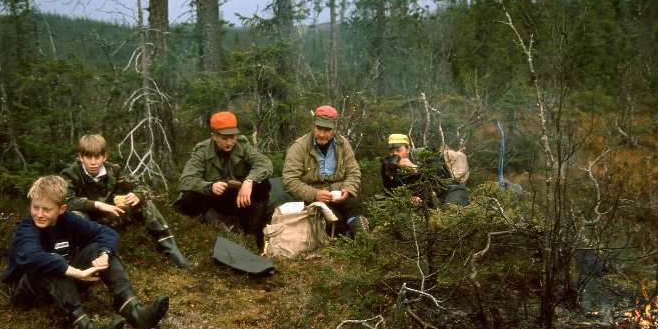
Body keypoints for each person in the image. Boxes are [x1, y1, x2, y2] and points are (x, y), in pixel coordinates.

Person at [1, 176, 170, 329]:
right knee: (53, 260)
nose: (39, 214)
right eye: (35, 207)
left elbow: (107, 233)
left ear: (62, 209)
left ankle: (134, 311)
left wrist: (104, 255)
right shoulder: (26, 229)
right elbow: (34, 257)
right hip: (26, 291)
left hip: (61, 283)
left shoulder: (68, 220)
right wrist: (79, 273)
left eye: (46, 209)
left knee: (99, 248)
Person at [60, 134, 191, 268]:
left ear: (104, 156)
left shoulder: (113, 170)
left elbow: (142, 186)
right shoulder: (70, 174)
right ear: (81, 156)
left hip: (111, 217)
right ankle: (82, 256)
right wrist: (97, 205)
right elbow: (65, 201)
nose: (93, 162)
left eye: (97, 157)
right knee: (75, 215)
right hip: (88, 223)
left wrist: (137, 195)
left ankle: (171, 250)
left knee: (146, 203)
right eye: (88, 157)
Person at [175, 111, 273, 248]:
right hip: (215, 199)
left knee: (263, 185)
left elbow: (265, 164)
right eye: (224, 138)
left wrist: (249, 181)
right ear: (213, 136)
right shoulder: (202, 151)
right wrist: (209, 186)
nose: (229, 142)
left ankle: (252, 233)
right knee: (188, 199)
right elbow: (186, 180)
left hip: (240, 199)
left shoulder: (242, 145)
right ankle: (222, 229)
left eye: (232, 137)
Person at [282, 105, 369, 236]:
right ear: (313, 126)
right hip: (312, 199)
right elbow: (289, 180)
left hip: (338, 195)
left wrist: (348, 189)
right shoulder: (299, 147)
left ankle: (364, 238)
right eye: (319, 128)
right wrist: (314, 194)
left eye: (327, 130)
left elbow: (353, 171)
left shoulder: (342, 144)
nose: (322, 134)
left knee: (354, 209)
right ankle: (347, 238)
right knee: (332, 219)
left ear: (334, 129)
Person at [381, 133, 469, 207]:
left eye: (398, 150)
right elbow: (389, 192)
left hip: (446, 191)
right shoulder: (387, 165)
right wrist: (408, 199)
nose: (395, 154)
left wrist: (416, 169)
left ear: (407, 149)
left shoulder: (424, 154)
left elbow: (442, 177)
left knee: (453, 210)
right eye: (391, 152)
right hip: (422, 200)